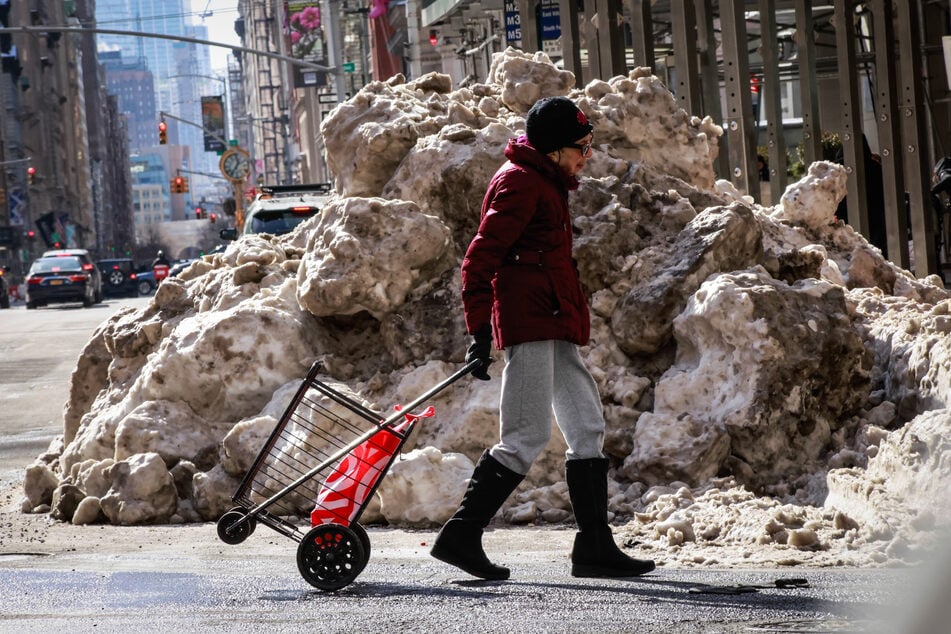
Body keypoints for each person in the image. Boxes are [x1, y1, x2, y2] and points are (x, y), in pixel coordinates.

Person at [430, 96, 656, 581]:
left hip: (553, 322)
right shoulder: (520, 184)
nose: (587, 156)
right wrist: (478, 331)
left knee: (587, 428)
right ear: (554, 148)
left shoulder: (545, 182)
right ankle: (462, 534)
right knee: (525, 436)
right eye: (582, 147)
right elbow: (478, 261)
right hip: (531, 324)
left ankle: (594, 546)